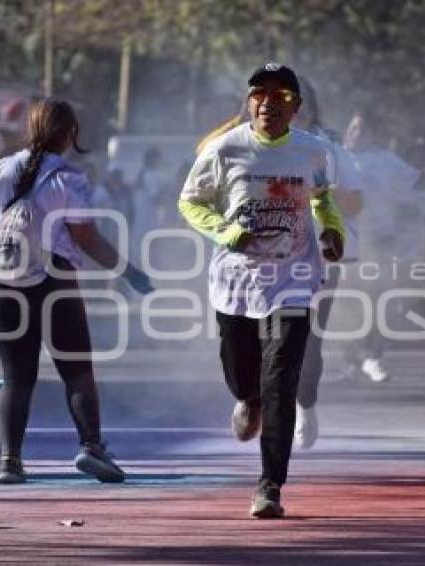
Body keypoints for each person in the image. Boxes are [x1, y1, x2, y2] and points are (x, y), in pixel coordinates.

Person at [178, 63, 345, 518]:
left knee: (281, 382)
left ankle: (270, 485)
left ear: (296, 106)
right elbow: (190, 202)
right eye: (259, 94)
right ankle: (246, 398)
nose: (268, 103)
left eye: (280, 96)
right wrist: (227, 233)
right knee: (243, 375)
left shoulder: (314, 151)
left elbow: (322, 199)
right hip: (235, 283)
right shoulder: (224, 149)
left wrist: (332, 231)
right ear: (249, 101)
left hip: (293, 281)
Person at [0, 98, 153, 485]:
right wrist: (129, 271)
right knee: (76, 370)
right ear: (70, 134)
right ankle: (91, 447)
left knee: (16, 376)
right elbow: (86, 238)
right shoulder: (69, 179)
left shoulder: (0, 170)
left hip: (0, 281)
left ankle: (10, 461)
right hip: (53, 279)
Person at [290, 78, 364, 450]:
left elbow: (355, 202)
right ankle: (260, 400)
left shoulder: (330, 147)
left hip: (320, 254)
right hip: (266, 256)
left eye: (301, 103)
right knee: (263, 334)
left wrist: (320, 198)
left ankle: (306, 405)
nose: (295, 110)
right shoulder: (250, 143)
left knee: (308, 338)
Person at [343, 109, 421, 383]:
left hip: (380, 243)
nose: (354, 133)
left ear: (373, 135)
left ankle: (373, 357)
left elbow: (417, 180)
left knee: (376, 300)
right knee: (348, 304)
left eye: (361, 129)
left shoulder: (386, 160)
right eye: (352, 128)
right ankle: (352, 361)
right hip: (346, 244)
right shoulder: (337, 157)